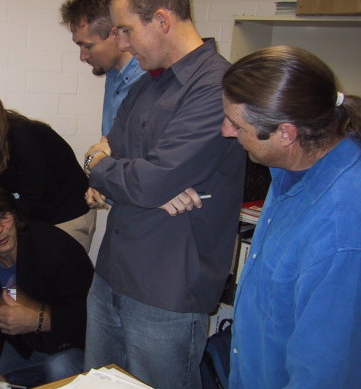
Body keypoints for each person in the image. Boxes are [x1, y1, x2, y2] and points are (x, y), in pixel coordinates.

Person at [82, 0, 245, 387]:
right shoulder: (145, 85)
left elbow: (146, 180)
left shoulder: (217, 87)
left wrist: (101, 167)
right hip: (110, 274)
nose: (120, 42)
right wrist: (114, 169)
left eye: (125, 29)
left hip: (166, 290)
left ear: (161, 20)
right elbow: (119, 161)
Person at [221, 46, 361, 388]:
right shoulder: (289, 171)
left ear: (286, 134)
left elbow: (324, 375)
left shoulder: (342, 230)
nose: (225, 131)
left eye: (237, 125)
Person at [0, 178, 94, 389]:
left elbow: (92, 317)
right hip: (27, 348)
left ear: (13, 213)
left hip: (70, 345)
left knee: (59, 369)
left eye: (2, 216)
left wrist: (39, 320)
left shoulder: (54, 247)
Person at [0, 83, 95, 251]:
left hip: (67, 214)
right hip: (39, 214)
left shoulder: (26, 136)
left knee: (58, 273)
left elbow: (31, 200)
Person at [60, 0, 145, 136]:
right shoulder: (112, 74)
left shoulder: (148, 78)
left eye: (88, 46)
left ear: (115, 35)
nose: (83, 57)